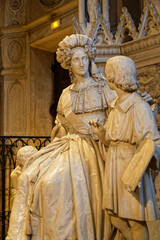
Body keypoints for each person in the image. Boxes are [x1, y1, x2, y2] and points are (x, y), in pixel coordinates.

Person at [6, 34, 117, 240]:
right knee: (32, 177)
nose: (81, 63)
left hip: (94, 148)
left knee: (50, 183)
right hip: (68, 145)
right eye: (76, 59)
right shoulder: (66, 93)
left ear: (90, 59)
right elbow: (62, 126)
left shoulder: (104, 89)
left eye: (84, 58)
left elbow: (118, 119)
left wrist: (102, 133)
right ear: (69, 64)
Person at [90, 56, 160, 240]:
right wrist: (101, 135)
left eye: (108, 73)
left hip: (131, 166)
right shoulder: (114, 106)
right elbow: (111, 141)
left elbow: (152, 141)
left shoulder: (138, 105)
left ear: (115, 76)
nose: (105, 77)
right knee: (116, 218)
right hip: (114, 164)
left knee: (136, 221)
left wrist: (140, 167)